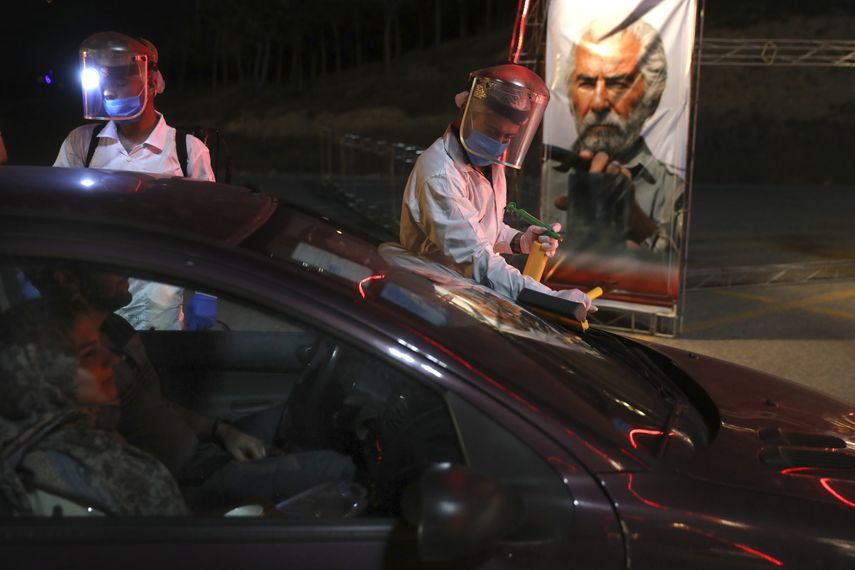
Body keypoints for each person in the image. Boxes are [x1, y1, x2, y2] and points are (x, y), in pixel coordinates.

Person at [29, 265, 355, 512]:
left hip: (202, 451)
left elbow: (157, 404)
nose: (123, 270)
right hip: (188, 479)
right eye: (105, 266)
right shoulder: (62, 360)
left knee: (293, 414)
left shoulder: (115, 327)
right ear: (67, 279)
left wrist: (221, 430)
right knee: (337, 469)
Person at [399, 63, 596, 316]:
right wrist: (550, 298)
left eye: (508, 138)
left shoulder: (487, 162)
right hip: (432, 299)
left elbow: (480, 226)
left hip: (462, 294)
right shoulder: (440, 175)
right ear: (468, 113)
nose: (499, 144)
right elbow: (476, 259)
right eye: (492, 132)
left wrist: (520, 240)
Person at [53, 31, 215, 331]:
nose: (109, 90)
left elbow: (211, 226)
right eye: (104, 79)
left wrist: (207, 293)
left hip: (158, 307)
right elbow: (56, 212)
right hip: (94, 305)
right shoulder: (81, 143)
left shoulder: (187, 150)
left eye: (120, 78)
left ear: (150, 82)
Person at [0, 299, 186, 516]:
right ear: (45, 378)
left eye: (102, 348)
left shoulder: (85, 441)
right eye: (89, 354)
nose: (114, 360)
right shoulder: (55, 480)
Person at [546, 18, 684, 253]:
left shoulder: (674, 193)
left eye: (618, 84)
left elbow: (681, 268)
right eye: (587, 83)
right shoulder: (541, 180)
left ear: (652, 100)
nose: (599, 103)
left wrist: (637, 223)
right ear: (570, 100)